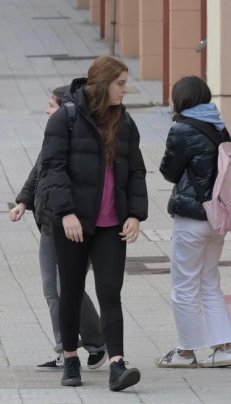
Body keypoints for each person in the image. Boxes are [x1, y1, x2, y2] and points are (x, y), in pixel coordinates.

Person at [38, 56, 148, 391]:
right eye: (120, 84)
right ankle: (71, 358)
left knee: (110, 292)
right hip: (72, 223)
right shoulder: (65, 119)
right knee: (69, 291)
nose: (125, 90)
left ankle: (117, 364)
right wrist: (66, 211)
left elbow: (136, 172)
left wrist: (134, 215)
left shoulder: (124, 122)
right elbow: (52, 168)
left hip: (111, 224)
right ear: (102, 85)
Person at [11, 85, 107, 372]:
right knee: (53, 289)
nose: (46, 110)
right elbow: (40, 170)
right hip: (49, 225)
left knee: (68, 287)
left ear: (65, 108)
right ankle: (68, 348)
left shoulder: (75, 135)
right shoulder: (55, 133)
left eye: (50, 105)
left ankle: (90, 344)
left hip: (74, 225)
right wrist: (23, 201)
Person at [155, 76, 231, 368]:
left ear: (180, 99)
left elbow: (169, 170)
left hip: (192, 217)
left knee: (184, 285)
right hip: (218, 217)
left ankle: (186, 351)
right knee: (209, 282)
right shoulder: (219, 125)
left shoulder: (181, 129)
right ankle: (225, 348)